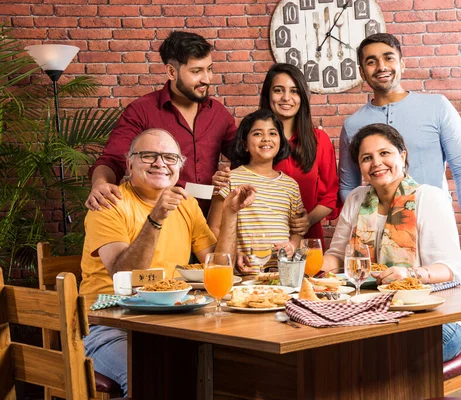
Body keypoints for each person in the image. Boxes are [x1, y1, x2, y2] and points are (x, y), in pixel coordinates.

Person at [80, 128, 255, 396]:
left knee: (231, 369)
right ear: (129, 164)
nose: (160, 163)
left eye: (170, 157)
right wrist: (156, 217)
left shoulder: (186, 205)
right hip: (109, 325)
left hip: (172, 322)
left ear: (179, 167)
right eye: (148, 155)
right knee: (149, 378)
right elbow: (122, 274)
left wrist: (230, 213)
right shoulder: (109, 203)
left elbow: (218, 267)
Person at [322, 123, 461, 362]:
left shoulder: (429, 198)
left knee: (374, 356)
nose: (376, 163)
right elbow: (337, 256)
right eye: (367, 158)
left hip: (434, 317)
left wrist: (410, 273)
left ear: (402, 155)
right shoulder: (357, 198)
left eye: (384, 153)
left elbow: (453, 270)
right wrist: (307, 268)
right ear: (360, 166)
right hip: (372, 315)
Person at [338, 33, 461, 250]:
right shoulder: (353, 124)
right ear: (362, 73)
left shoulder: (438, 107)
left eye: (389, 58)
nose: (381, 66)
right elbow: (348, 186)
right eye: (371, 62)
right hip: (376, 234)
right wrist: (362, 221)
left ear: (402, 64)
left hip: (433, 224)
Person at [85, 31, 237, 216]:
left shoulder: (218, 113)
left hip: (210, 223)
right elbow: (112, 159)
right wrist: (100, 184)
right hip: (160, 220)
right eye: (196, 71)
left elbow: (246, 156)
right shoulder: (141, 111)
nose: (207, 78)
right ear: (171, 72)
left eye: (209, 68)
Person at [213, 63, 340, 246]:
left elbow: (330, 195)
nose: (286, 98)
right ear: (268, 94)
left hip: (306, 237)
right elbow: (237, 190)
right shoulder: (254, 143)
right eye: (278, 90)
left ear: (302, 96)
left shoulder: (319, 140)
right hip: (255, 243)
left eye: (294, 91)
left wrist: (307, 221)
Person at [208, 109, 304, 272]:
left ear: (280, 140)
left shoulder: (291, 185)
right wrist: (234, 253)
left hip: (281, 273)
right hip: (244, 273)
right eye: (258, 134)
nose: (266, 138)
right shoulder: (230, 179)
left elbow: (297, 230)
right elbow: (213, 227)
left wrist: (292, 245)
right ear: (245, 144)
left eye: (273, 133)